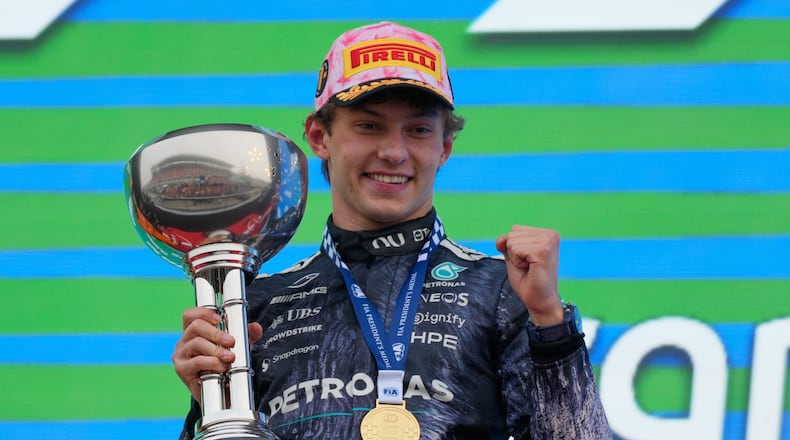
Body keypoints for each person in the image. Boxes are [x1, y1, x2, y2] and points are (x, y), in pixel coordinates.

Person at [173, 21, 612, 439]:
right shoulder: (259, 305)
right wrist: (207, 406)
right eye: (369, 125)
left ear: (445, 147)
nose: (394, 152)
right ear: (319, 135)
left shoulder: (502, 291)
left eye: (418, 130)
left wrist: (551, 326)